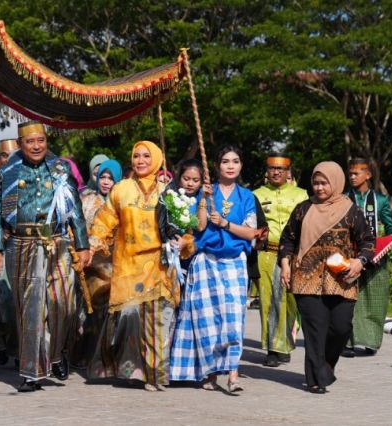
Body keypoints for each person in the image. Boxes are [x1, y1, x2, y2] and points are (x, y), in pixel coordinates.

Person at [0, 121, 90, 392]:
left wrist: (82, 245)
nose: (36, 146)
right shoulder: (7, 171)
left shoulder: (60, 168)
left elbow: (75, 209)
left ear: (46, 141)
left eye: (40, 141)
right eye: (30, 142)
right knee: (30, 309)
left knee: (63, 305)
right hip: (21, 244)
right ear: (20, 144)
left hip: (57, 243)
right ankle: (32, 373)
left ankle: (55, 354)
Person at [88, 141, 178, 392]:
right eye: (136, 156)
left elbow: (184, 230)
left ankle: (156, 374)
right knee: (130, 317)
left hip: (160, 265)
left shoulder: (168, 191)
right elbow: (104, 222)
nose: (140, 160)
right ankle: (133, 369)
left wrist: (183, 243)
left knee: (158, 320)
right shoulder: (121, 189)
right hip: (128, 265)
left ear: (158, 159)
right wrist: (92, 244)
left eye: (146, 156)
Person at [279, 161, 375, 394]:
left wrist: (359, 261)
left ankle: (327, 365)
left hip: (341, 278)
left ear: (336, 182)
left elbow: (367, 241)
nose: (320, 188)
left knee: (341, 328)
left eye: (324, 183)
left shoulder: (350, 209)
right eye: (316, 182)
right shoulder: (303, 209)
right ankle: (314, 379)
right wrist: (285, 264)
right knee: (315, 330)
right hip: (306, 278)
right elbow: (287, 239)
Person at [169, 145, 258, 392]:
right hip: (206, 260)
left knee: (232, 319)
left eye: (236, 161)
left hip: (234, 262)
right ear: (217, 166)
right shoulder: (206, 192)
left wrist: (226, 223)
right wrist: (204, 203)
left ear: (241, 165)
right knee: (206, 319)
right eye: (225, 161)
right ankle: (209, 373)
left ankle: (233, 373)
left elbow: (251, 232)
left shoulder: (246, 196)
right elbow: (198, 227)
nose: (231, 166)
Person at [252, 154, 308, 367]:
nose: (276, 172)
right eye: (272, 168)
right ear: (266, 171)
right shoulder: (255, 195)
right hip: (267, 254)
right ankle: (273, 348)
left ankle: (286, 343)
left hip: (293, 255)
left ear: (288, 172)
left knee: (290, 301)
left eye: (281, 169)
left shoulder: (301, 195)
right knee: (268, 302)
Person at [70, 159, 122, 367]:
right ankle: (83, 356)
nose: (106, 182)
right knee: (86, 312)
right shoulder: (86, 199)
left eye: (111, 178)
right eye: (103, 177)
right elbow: (77, 226)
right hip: (89, 263)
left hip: (114, 264)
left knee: (110, 313)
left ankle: (107, 357)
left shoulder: (122, 201)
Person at [343, 158, 392, 356]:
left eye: (357, 173)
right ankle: (347, 343)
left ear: (368, 175)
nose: (352, 176)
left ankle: (371, 342)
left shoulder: (381, 200)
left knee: (376, 300)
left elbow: (391, 227)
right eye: (350, 173)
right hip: (350, 257)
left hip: (376, 258)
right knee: (349, 299)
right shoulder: (344, 199)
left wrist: (390, 240)